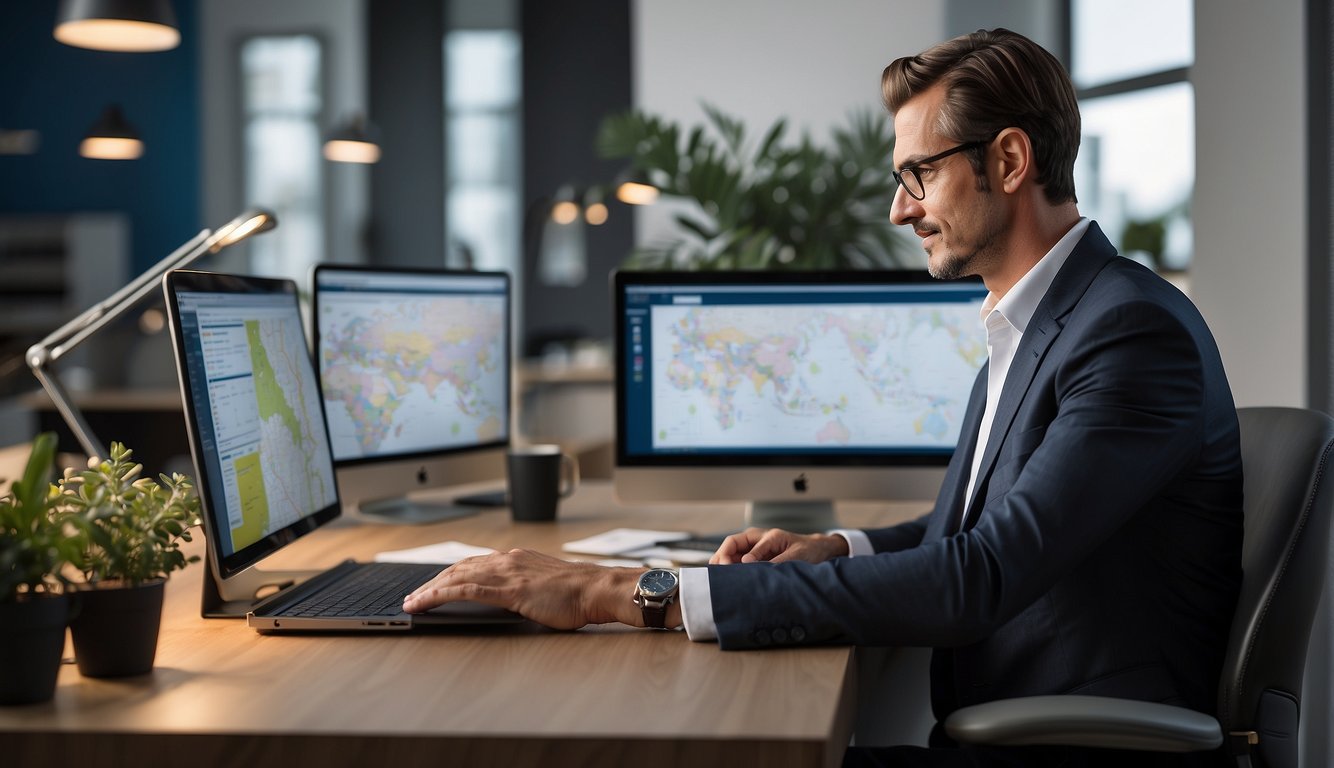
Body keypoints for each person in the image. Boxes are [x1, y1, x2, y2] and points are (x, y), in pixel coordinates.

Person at [404, 28, 1242, 767]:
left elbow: (982, 575)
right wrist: (839, 548)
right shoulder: (1042, 320)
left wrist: (622, 593)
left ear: (1010, 161)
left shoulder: (1128, 333)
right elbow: (972, 531)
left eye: (919, 173)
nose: (898, 206)